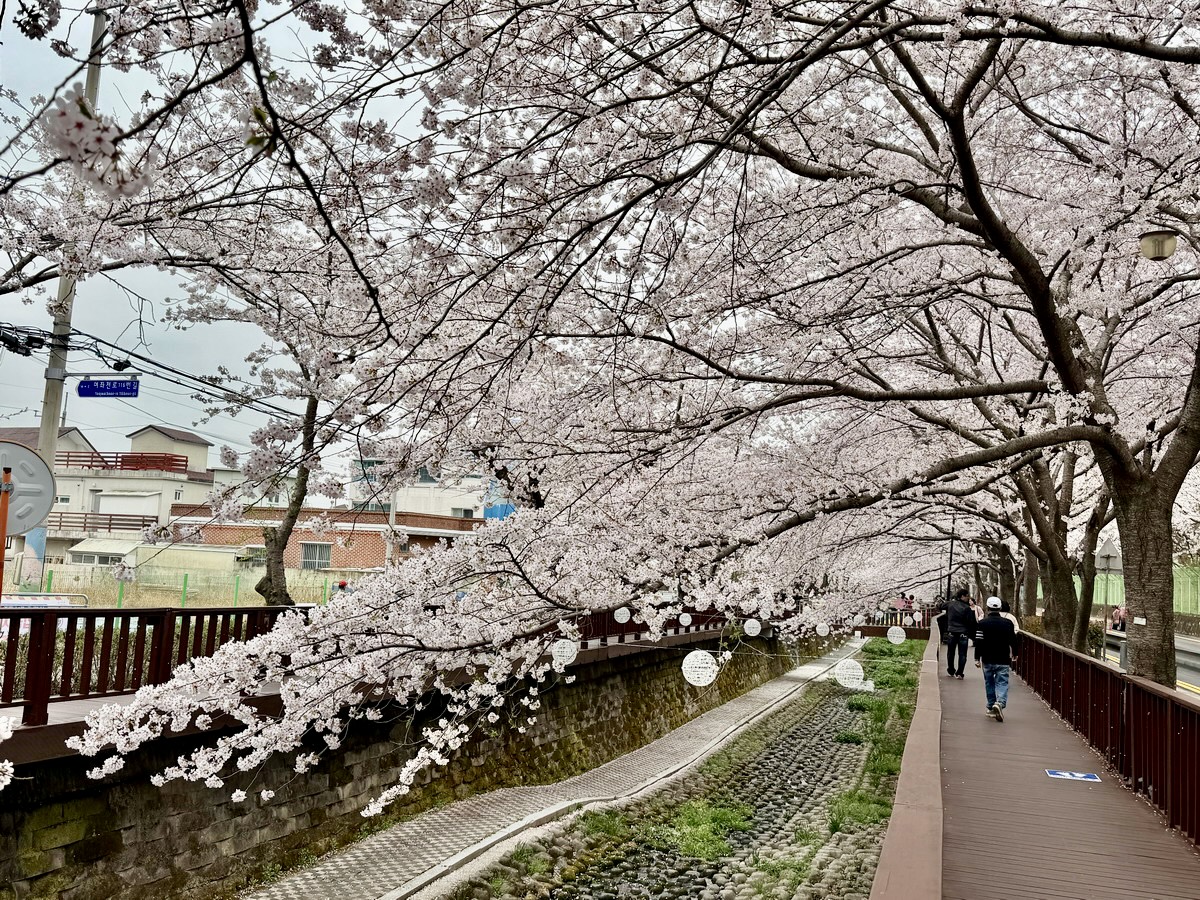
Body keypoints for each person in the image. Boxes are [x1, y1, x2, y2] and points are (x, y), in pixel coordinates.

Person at [975, 596, 1021, 721]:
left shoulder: (982, 623)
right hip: (1003, 658)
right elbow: (1013, 640)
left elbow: (978, 641)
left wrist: (976, 658)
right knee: (1002, 682)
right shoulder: (1008, 623)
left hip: (987, 658)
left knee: (989, 682)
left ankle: (990, 707)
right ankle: (1000, 703)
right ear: (1000, 608)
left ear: (988, 608)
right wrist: (1015, 653)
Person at [945, 588, 977, 679]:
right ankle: (960, 673)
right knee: (962, 654)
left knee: (951, 653)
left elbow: (940, 606)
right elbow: (971, 622)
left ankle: (951, 669)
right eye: (967, 596)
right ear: (962, 596)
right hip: (963, 633)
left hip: (952, 632)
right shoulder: (967, 608)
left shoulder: (950, 604)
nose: (968, 598)